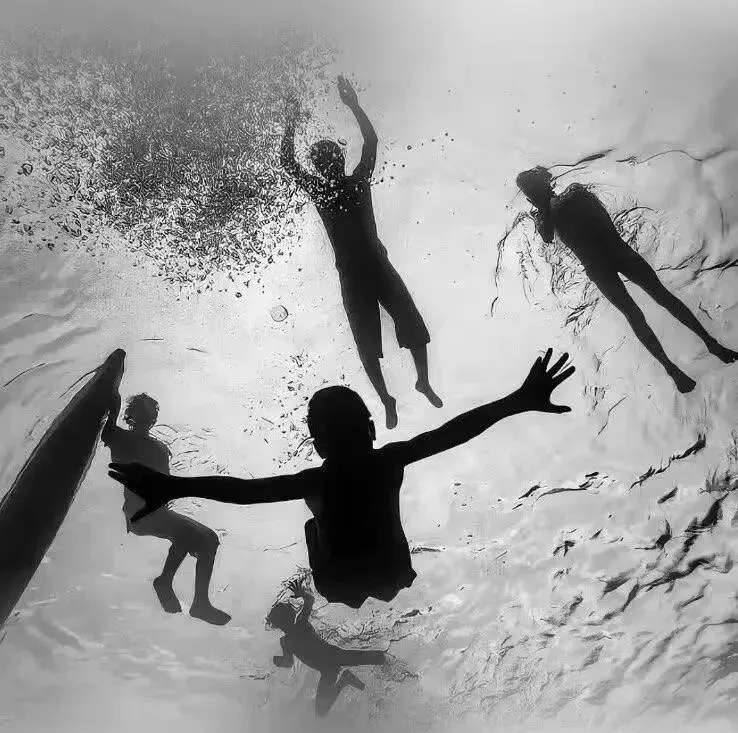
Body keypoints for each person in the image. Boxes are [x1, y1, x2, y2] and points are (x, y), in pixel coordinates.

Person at [108, 349, 575, 609]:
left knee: (311, 524)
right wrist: (516, 401)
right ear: (371, 429)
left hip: (338, 583)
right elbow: (453, 432)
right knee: (327, 523)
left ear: (317, 444)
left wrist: (177, 486)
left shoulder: (316, 479)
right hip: (393, 572)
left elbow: (245, 492)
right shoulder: (389, 459)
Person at [280, 75, 442, 429]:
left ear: (338, 159)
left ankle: (423, 381)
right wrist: (293, 118)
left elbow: (370, 142)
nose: (327, 162)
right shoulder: (326, 190)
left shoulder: (356, 181)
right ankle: (386, 399)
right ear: (321, 166)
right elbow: (289, 163)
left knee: (410, 320)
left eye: (330, 157)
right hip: (354, 274)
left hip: (375, 266)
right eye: (322, 160)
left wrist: (354, 106)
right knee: (366, 344)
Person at [515, 166, 738, 393]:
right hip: (603, 265)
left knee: (659, 299)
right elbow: (547, 237)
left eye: (533, 191)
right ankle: (673, 367)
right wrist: (544, 204)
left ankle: (710, 345)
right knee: (638, 311)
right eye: (532, 194)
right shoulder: (546, 217)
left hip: (616, 255)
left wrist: (546, 201)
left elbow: (598, 217)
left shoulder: (573, 194)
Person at [102, 391, 231, 625]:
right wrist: (113, 396)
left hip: (155, 513)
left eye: (151, 412)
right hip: (140, 515)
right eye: (142, 410)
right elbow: (107, 425)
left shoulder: (159, 448)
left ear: (153, 418)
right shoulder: (120, 438)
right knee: (191, 534)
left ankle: (198, 601)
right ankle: (168, 583)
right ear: (131, 415)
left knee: (209, 539)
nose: (147, 416)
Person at [266, 576, 385, 717]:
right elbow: (289, 662)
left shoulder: (298, 626)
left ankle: (357, 676)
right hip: (328, 669)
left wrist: (278, 661)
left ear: (278, 624)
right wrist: (279, 661)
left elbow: (287, 662)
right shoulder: (288, 638)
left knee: (376, 658)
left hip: (333, 657)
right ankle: (345, 680)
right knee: (321, 712)